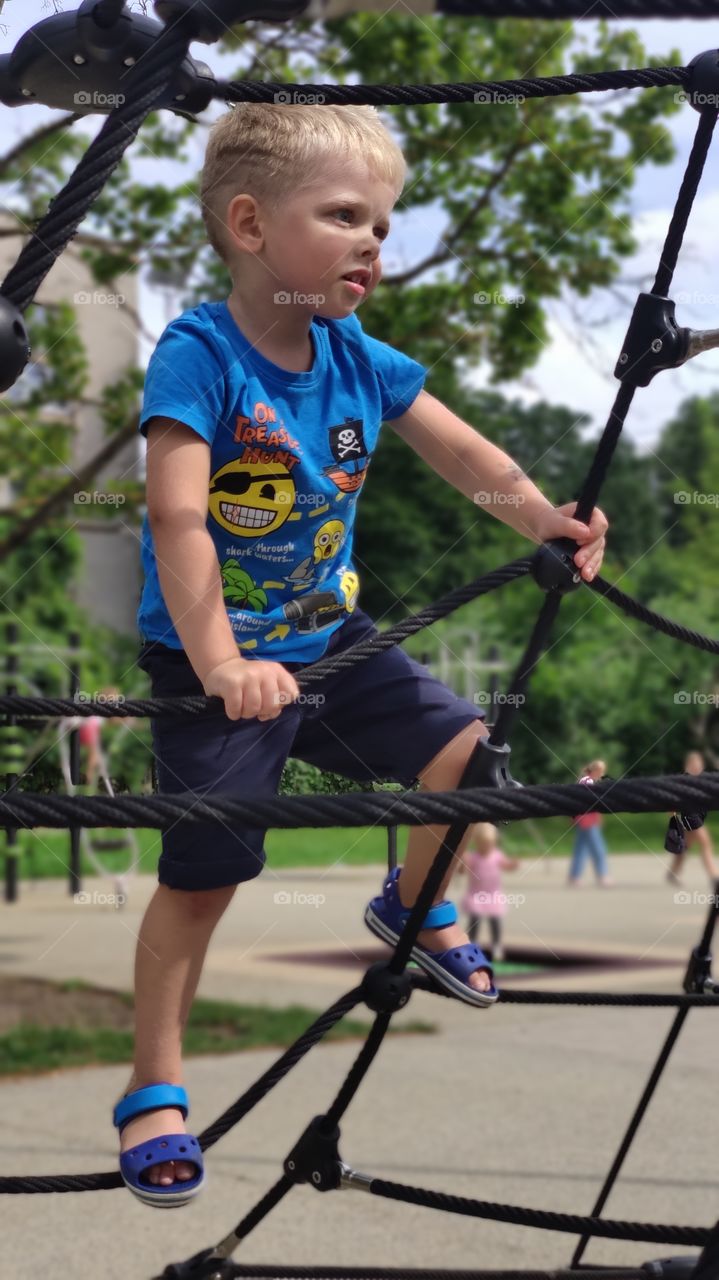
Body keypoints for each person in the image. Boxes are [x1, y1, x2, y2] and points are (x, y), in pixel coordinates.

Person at [118, 102, 609, 1206]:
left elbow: (458, 450)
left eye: (381, 223)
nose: (371, 243)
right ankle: (153, 1086)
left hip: (328, 644)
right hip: (216, 659)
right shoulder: (200, 352)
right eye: (343, 216)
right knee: (204, 880)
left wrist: (543, 517)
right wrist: (217, 662)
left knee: (465, 751)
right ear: (249, 225)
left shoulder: (353, 353)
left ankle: (412, 901)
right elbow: (178, 519)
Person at [454, 822, 520, 961]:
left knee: (494, 920)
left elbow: (506, 866)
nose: (486, 847)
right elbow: (461, 872)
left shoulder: (497, 855)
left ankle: (496, 944)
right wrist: (463, 863)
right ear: (477, 843)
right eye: (483, 844)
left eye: (489, 844)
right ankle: (473, 944)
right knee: (475, 920)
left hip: (493, 894)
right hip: (476, 894)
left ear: (494, 843)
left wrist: (513, 865)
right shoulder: (474, 857)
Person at [666, 750, 717, 886]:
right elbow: (673, 801)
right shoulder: (684, 780)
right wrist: (673, 818)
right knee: (706, 843)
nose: (698, 766)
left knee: (684, 847)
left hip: (695, 818)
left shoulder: (702, 780)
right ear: (688, 765)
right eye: (694, 763)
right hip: (689, 819)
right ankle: (714, 876)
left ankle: (672, 873)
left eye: (699, 763)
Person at [567, 758, 612, 887]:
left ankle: (575, 877)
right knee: (598, 849)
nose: (602, 774)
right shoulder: (588, 781)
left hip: (586, 818)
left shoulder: (586, 780)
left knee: (581, 849)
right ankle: (603, 875)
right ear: (596, 770)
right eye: (601, 771)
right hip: (587, 820)